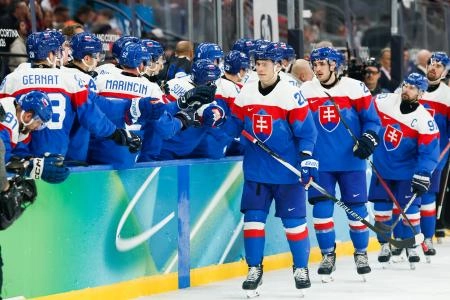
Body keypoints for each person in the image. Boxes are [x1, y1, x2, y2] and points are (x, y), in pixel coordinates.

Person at [222, 41, 318, 294]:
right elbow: (234, 123)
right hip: (256, 170)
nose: (259, 68)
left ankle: (300, 267)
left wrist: (307, 161)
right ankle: (255, 268)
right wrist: (216, 124)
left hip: (287, 173)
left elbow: (307, 133)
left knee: (294, 223)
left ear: (277, 65)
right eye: (257, 63)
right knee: (253, 221)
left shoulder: (291, 93)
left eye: (264, 63)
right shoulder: (247, 90)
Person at [299, 47, 381, 280]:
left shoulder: (355, 88)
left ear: (334, 65)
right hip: (320, 162)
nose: (317, 68)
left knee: (356, 211)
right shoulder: (304, 91)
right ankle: (327, 255)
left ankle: (361, 253)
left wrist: (369, 137)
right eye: (314, 64)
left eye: (322, 64)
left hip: (351, 161)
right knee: (321, 211)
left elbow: (373, 120)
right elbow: (298, 124)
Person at [0, 31, 141, 159]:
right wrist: (115, 133)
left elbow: (4, 119)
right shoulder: (70, 79)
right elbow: (91, 116)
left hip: (21, 155)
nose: (60, 55)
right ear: (49, 55)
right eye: (57, 52)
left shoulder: (12, 79)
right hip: (58, 155)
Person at [370, 73, 439, 266]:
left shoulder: (425, 120)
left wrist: (423, 173)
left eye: (412, 88)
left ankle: (412, 244)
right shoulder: (384, 101)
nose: (406, 90)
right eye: (406, 85)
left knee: (411, 212)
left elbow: (429, 152)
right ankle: (384, 243)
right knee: (381, 210)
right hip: (382, 169)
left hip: (406, 173)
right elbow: (365, 113)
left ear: (421, 93)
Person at [417, 52, 450, 253]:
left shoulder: (447, 95)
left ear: (445, 71)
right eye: (431, 64)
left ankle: (427, 237)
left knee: (427, 193)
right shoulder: (412, 87)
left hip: (435, 153)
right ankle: (408, 236)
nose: (433, 68)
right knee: (406, 193)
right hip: (410, 150)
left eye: (439, 66)